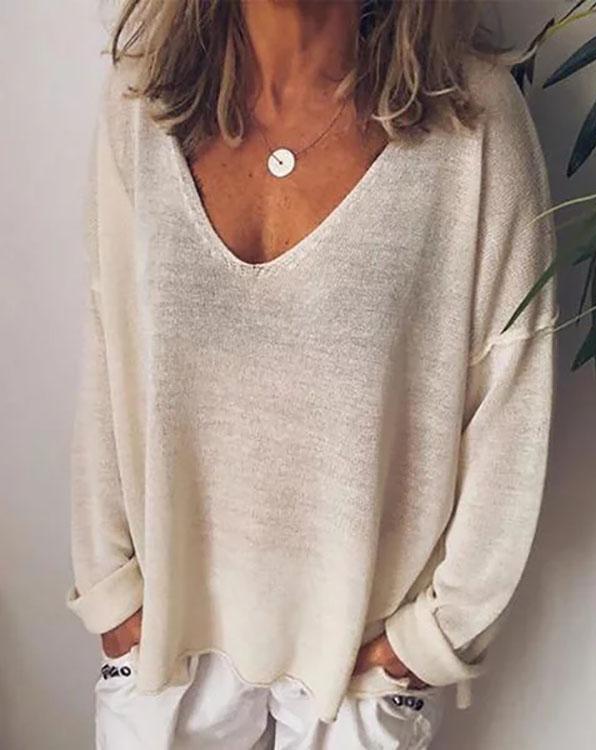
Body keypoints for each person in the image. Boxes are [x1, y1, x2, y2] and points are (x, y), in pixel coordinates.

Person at [65, 1, 559, 748]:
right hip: (167, 633)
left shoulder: (474, 123)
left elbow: (513, 394)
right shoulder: (143, 104)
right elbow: (111, 344)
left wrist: (438, 634)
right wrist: (109, 585)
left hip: (362, 654)